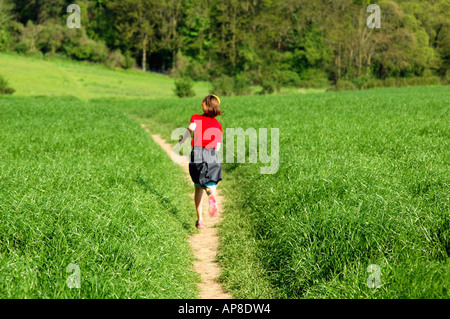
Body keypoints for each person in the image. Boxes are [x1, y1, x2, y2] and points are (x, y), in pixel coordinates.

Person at [179, 94, 223, 229]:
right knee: (210, 182)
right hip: (212, 155)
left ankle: (200, 220)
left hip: (198, 153)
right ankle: (210, 193)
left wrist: (183, 139)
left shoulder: (196, 117)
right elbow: (218, 146)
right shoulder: (218, 124)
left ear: (206, 105)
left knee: (198, 186)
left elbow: (191, 128)